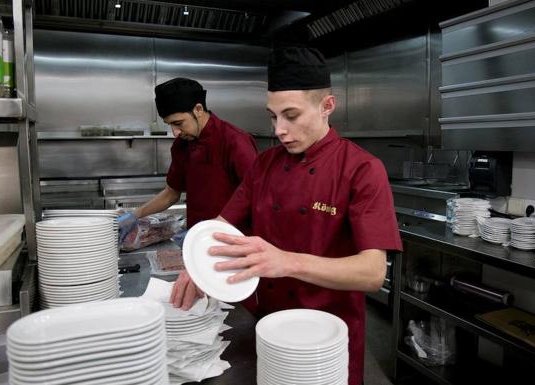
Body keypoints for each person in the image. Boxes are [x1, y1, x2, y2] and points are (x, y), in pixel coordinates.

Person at [170, 47, 403, 385]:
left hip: (328, 339)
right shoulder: (264, 166)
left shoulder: (362, 169)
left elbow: (372, 273)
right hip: (270, 329)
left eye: (291, 115)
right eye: (272, 116)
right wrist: (197, 265)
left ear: (327, 107)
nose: (279, 129)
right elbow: (221, 228)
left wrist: (286, 262)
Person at [118, 77, 258, 243]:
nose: (175, 132)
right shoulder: (181, 146)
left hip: (235, 239)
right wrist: (135, 214)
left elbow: (256, 196)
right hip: (196, 240)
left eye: (179, 123)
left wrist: (210, 229)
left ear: (198, 109)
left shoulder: (235, 141)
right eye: (169, 124)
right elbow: (171, 194)